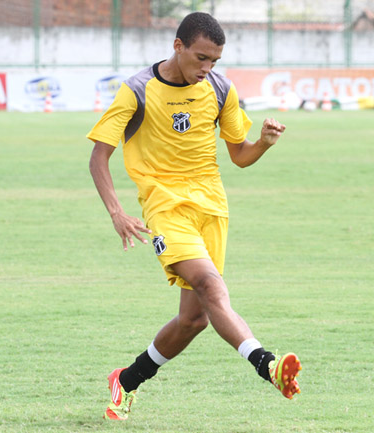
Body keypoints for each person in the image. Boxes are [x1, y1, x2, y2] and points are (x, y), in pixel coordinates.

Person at [87, 12, 301, 421]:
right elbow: (99, 157)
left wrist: (265, 144)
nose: (207, 69)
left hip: (212, 208)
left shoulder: (220, 88)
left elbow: (239, 155)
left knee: (194, 319)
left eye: (214, 61)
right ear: (178, 46)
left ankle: (126, 381)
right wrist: (117, 212)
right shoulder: (137, 91)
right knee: (208, 283)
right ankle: (267, 364)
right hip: (164, 207)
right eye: (201, 58)